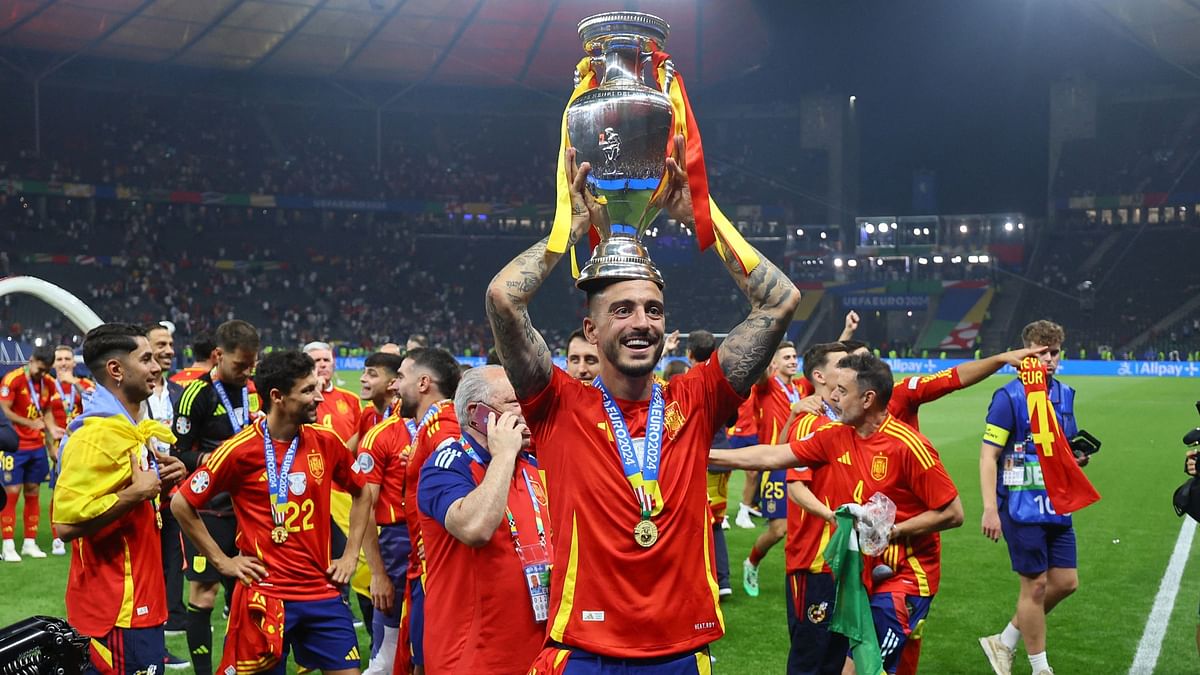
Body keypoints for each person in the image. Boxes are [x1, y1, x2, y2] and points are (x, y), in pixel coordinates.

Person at [486, 139, 800, 670]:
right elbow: (503, 299)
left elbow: (780, 299)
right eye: (624, 309)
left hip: (681, 652)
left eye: (653, 310)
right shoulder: (557, 402)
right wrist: (569, 227)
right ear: (592, 327)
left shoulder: (696, 398)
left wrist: (700, 215)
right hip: (585, 653)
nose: (642, 323)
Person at [709, 353, 964, 674]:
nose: (832, 397)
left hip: (907, 578)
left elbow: (953, 512)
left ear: (868, 398)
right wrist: (702, 454)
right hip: (867, 573)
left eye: (842, 391)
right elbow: (773, 455)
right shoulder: (838, 434)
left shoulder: (907, 445)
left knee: (865, 667)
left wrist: (894, 530)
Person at [172, 350, 388, 675]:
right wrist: (222, 561)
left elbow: (362, 493)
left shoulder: (327, 442)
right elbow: (182, 504)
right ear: (277, 397)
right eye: (307, 390)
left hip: (321, 591)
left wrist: (349, 555)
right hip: (265, 593)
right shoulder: (239, 450)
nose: (318, 396)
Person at [52, 322, 187, 674]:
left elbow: (132, 498)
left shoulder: (128, 427)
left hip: (141, 604)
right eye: (146, 359)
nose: (157, 366)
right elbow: (65, 525)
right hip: (117, 612)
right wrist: (135, 494)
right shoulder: (94, 435)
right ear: (116, 370)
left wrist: (161, 480)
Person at [417, 365, 552, 673]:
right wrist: (503, 454)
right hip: (471, 656)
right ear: (477, 413)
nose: (526, 408)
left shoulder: (530, 464)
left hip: (535, 651)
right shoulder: (447, 464)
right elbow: (475, 528)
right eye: (514, 402)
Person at [978, 321, 1089, 675]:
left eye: (1053, 353)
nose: (1048, 360)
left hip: (1056, 502)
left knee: (1066, 582)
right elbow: (988, 455)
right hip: (1019, 503)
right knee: (1036, 584)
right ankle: (1041, 668)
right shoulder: (1009, 397)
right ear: (1025, 353)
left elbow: (1061, 448)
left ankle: (1005, 640)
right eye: (1040, 354)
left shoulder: (1066, 394)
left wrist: (1076, 458)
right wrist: (990, 509)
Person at [173, 319, 261, 675]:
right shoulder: (198, 394)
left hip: (247, 509)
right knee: (204, 594)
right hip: (208, 510)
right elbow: (177, 452)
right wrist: (207, 460)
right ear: (217, 355)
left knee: (245, 593)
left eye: (251, 365)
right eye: (240, 365)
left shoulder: (251, 390)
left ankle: (239, 664)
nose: (246, 372)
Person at [392, 347, 462, 675]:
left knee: (428, 661)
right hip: (425, 566)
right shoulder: (432, 425)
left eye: (401, 377)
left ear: (423, 383)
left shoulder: (445, 426)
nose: (395, 385)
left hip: (436, 570)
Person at [782, 341, 849, 674]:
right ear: (820, 376)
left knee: (835, 656)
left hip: (839, 560)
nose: (850, 368)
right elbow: (795, 486)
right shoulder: (810, 423)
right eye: (842, 364)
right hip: (814, 560)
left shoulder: (841, 421)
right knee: (810, 658)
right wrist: (832, 516)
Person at [357, 374, 415, 675]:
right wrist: (378, 573)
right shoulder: (381, 435)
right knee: (386, 660)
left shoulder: (451, 430)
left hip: (440, 544)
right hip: (397, 543)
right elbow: (364, 505)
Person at [742, 340, 801, 597]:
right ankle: (752, 562)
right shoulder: (768, 386)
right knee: (779, 530)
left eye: (794, 356)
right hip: (776, 463)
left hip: (801, 461)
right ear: (775, 363)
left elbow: (827, 368)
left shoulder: (802, 387)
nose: (792, 360)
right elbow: (761, 372)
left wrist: (847, 332)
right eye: (786, 357)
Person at [0, 345, 63, 562]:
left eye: (46, 370)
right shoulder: (13, 379)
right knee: (11, 491)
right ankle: (8, 544)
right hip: (13, 445)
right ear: (31, 360)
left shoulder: (48, 383)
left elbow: (46, 411)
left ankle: (30, 541)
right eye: (39, 368)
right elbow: (4, 409)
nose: (42, 373)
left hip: (36, 446)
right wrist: (30, 423)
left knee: (33, 490)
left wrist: (51, 433)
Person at [47, 345, 93, 556]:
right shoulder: (46, 386)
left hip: (84, 446)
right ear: (53, 363)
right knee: (58, 491)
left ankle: (83, 530)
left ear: (74, 363)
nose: (64, 363)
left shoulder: (84, 384)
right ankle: (57, 537)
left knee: (85, 489)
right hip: (59, 448)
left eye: (67, 359)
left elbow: (95, 403)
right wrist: (50, 446)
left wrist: (73, 382)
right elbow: (40, 415)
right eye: (60, 359)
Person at [305, 341, 361, 446]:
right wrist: (314, 390)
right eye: (317, 360)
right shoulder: (297, 398)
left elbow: (360, 436)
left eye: (326, 360)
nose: (322, 365)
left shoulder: (351, 399)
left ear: (333, 364)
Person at [354, 352, 404, 453]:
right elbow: (350, 452)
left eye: (372, 375)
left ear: (392, 383)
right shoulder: (368, 412)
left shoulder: (404, 416)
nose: (362, 379)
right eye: (363, 372)